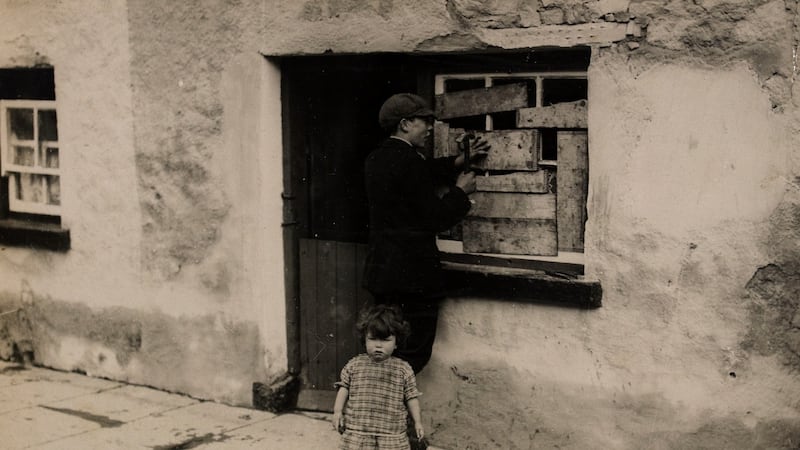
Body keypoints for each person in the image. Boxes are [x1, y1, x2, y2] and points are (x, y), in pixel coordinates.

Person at [362, 93, 489, 374]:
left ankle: (375, 411)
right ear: (405, 124)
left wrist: (455, 163)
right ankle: (392, 413)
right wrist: (460, 193)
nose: (431, 127)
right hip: (413, 279)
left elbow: (417, 175)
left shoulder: (376, 158)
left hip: (383, 275)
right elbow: (435, 218)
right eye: (425, 121)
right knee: (413, 353)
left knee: (384, 349)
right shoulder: (410, 162)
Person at [332, 304, 424, 449]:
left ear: (396, 343)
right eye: (373, 339)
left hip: (390, 434)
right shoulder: (354, 365)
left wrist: (417, 422)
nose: (379, 346)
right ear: (365, 339)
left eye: (386, 340)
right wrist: (337, 412)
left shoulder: (403, 369)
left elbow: (411, 397)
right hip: (359, 431)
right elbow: (344, 388)